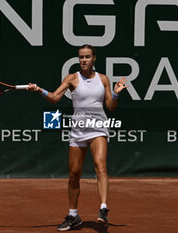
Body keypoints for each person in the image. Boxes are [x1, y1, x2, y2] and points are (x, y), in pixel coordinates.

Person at [27, 44, 127, 231]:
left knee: (100, 166)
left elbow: (111, 107)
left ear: (94, 58)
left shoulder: (103, 79)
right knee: (74, 176)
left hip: (98, 128)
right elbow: (55, 98)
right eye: (81, 57)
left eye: (87, 57)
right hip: (78, 131)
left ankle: (103, 208)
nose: (83, 60)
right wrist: (39, 90)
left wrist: (115, 93)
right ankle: (73, 216)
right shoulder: (72, 78)